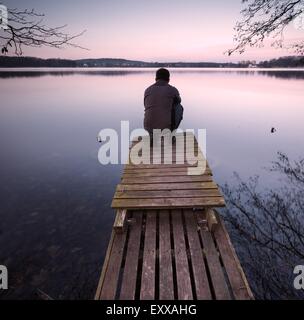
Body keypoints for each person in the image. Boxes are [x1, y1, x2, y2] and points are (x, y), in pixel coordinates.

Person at [144, 68, 182, 142]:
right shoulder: (172, 90)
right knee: (179, 108)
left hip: (148, 126)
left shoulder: (147, 90)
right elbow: (179, 101)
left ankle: (151, 136)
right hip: (165, 127)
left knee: (152, 108)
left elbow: (146, 105)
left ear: (155, 78)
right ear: (168, 79)